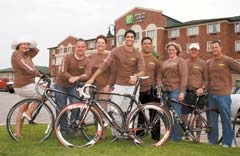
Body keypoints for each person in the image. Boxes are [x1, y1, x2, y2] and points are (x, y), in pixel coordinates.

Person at [87, 29, 145, 137]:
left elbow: (142, 70)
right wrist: (92, 78)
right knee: (114, 110)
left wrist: (136, 76)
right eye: (128, 37)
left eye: (132, 37)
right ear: (125, 38)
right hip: (119, 85)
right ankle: (117, 133)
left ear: (134, 39)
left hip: (132, 86)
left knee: (132, 111)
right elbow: (104, 65)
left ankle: (131, 134)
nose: (130, 39)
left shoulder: (137, 53)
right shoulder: (116, 51)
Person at [207, 40, 240, 147]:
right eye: (212, 47)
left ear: (220, 48)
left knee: (225, 119)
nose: (214, 49)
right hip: (211, 94)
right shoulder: (210, 62)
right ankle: (212, 141)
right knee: (212, 120)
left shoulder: (227, 60)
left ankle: (227, 142)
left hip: (223, 95)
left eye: (216, 47)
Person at [55, 38, 92, 133]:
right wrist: (70, 77)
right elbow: (62, 71)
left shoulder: (87, 61)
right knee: (61, 107)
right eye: (78, 46)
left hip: (73, 87)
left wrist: (77, 78)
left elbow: (87, 75)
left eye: (82, 47)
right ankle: (63, 129)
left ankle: (73, 127)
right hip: (61, 85)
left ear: (85, 48)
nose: (80, 48)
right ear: (75, 48)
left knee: (76, 105)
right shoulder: (67, 57)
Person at [11, 39, 41, 138]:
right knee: (43, 95)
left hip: (26, 85)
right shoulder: (16, 55)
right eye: (23, 44)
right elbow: (25, 67)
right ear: (18, 45)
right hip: (23, 85)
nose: (26, 46)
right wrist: (37, 73)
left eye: (27, 44)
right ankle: (28, 113)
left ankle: (17, 133)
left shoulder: (26, 55)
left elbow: (36, 51)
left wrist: (31, 45)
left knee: (22, 109)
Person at [158, 42, 188, 141]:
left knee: (176, 114)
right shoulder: (164, 62)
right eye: (169, 49)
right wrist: (160, 84)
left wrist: (182, 91)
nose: (171, 51)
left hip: (177, 90)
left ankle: (176, 137)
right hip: (166, 90)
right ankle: (169, 134)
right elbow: (159, 76)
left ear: (177, 50)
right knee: (163, 113)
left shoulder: (181, 61)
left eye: (173, 49)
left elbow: (184, 76)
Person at [87, 35, 114, 137]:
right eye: (98, 42)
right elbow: (87, 71)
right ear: (96, 44)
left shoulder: (110, 56)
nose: (100, 44)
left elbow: (113, 73)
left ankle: (102, 133)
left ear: (106, 44)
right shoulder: (91, 57)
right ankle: (98, 131)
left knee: (102, 110)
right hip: (93, 88)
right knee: (94, 110)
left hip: (104, 88)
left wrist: (108, 85)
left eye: (102, 43)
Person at [182, 43, 208, 142]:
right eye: (192, 49)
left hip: (198, 93)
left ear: (198, 51)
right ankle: (187, 135)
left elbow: (206, 79)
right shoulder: (185, 62)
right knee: (184, 116)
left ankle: (197, 137)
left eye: (195, 50)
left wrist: (202, 88)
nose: (193, 51)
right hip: (187, 93)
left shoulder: (203, 63)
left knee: (198, 117)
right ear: (189, 51)